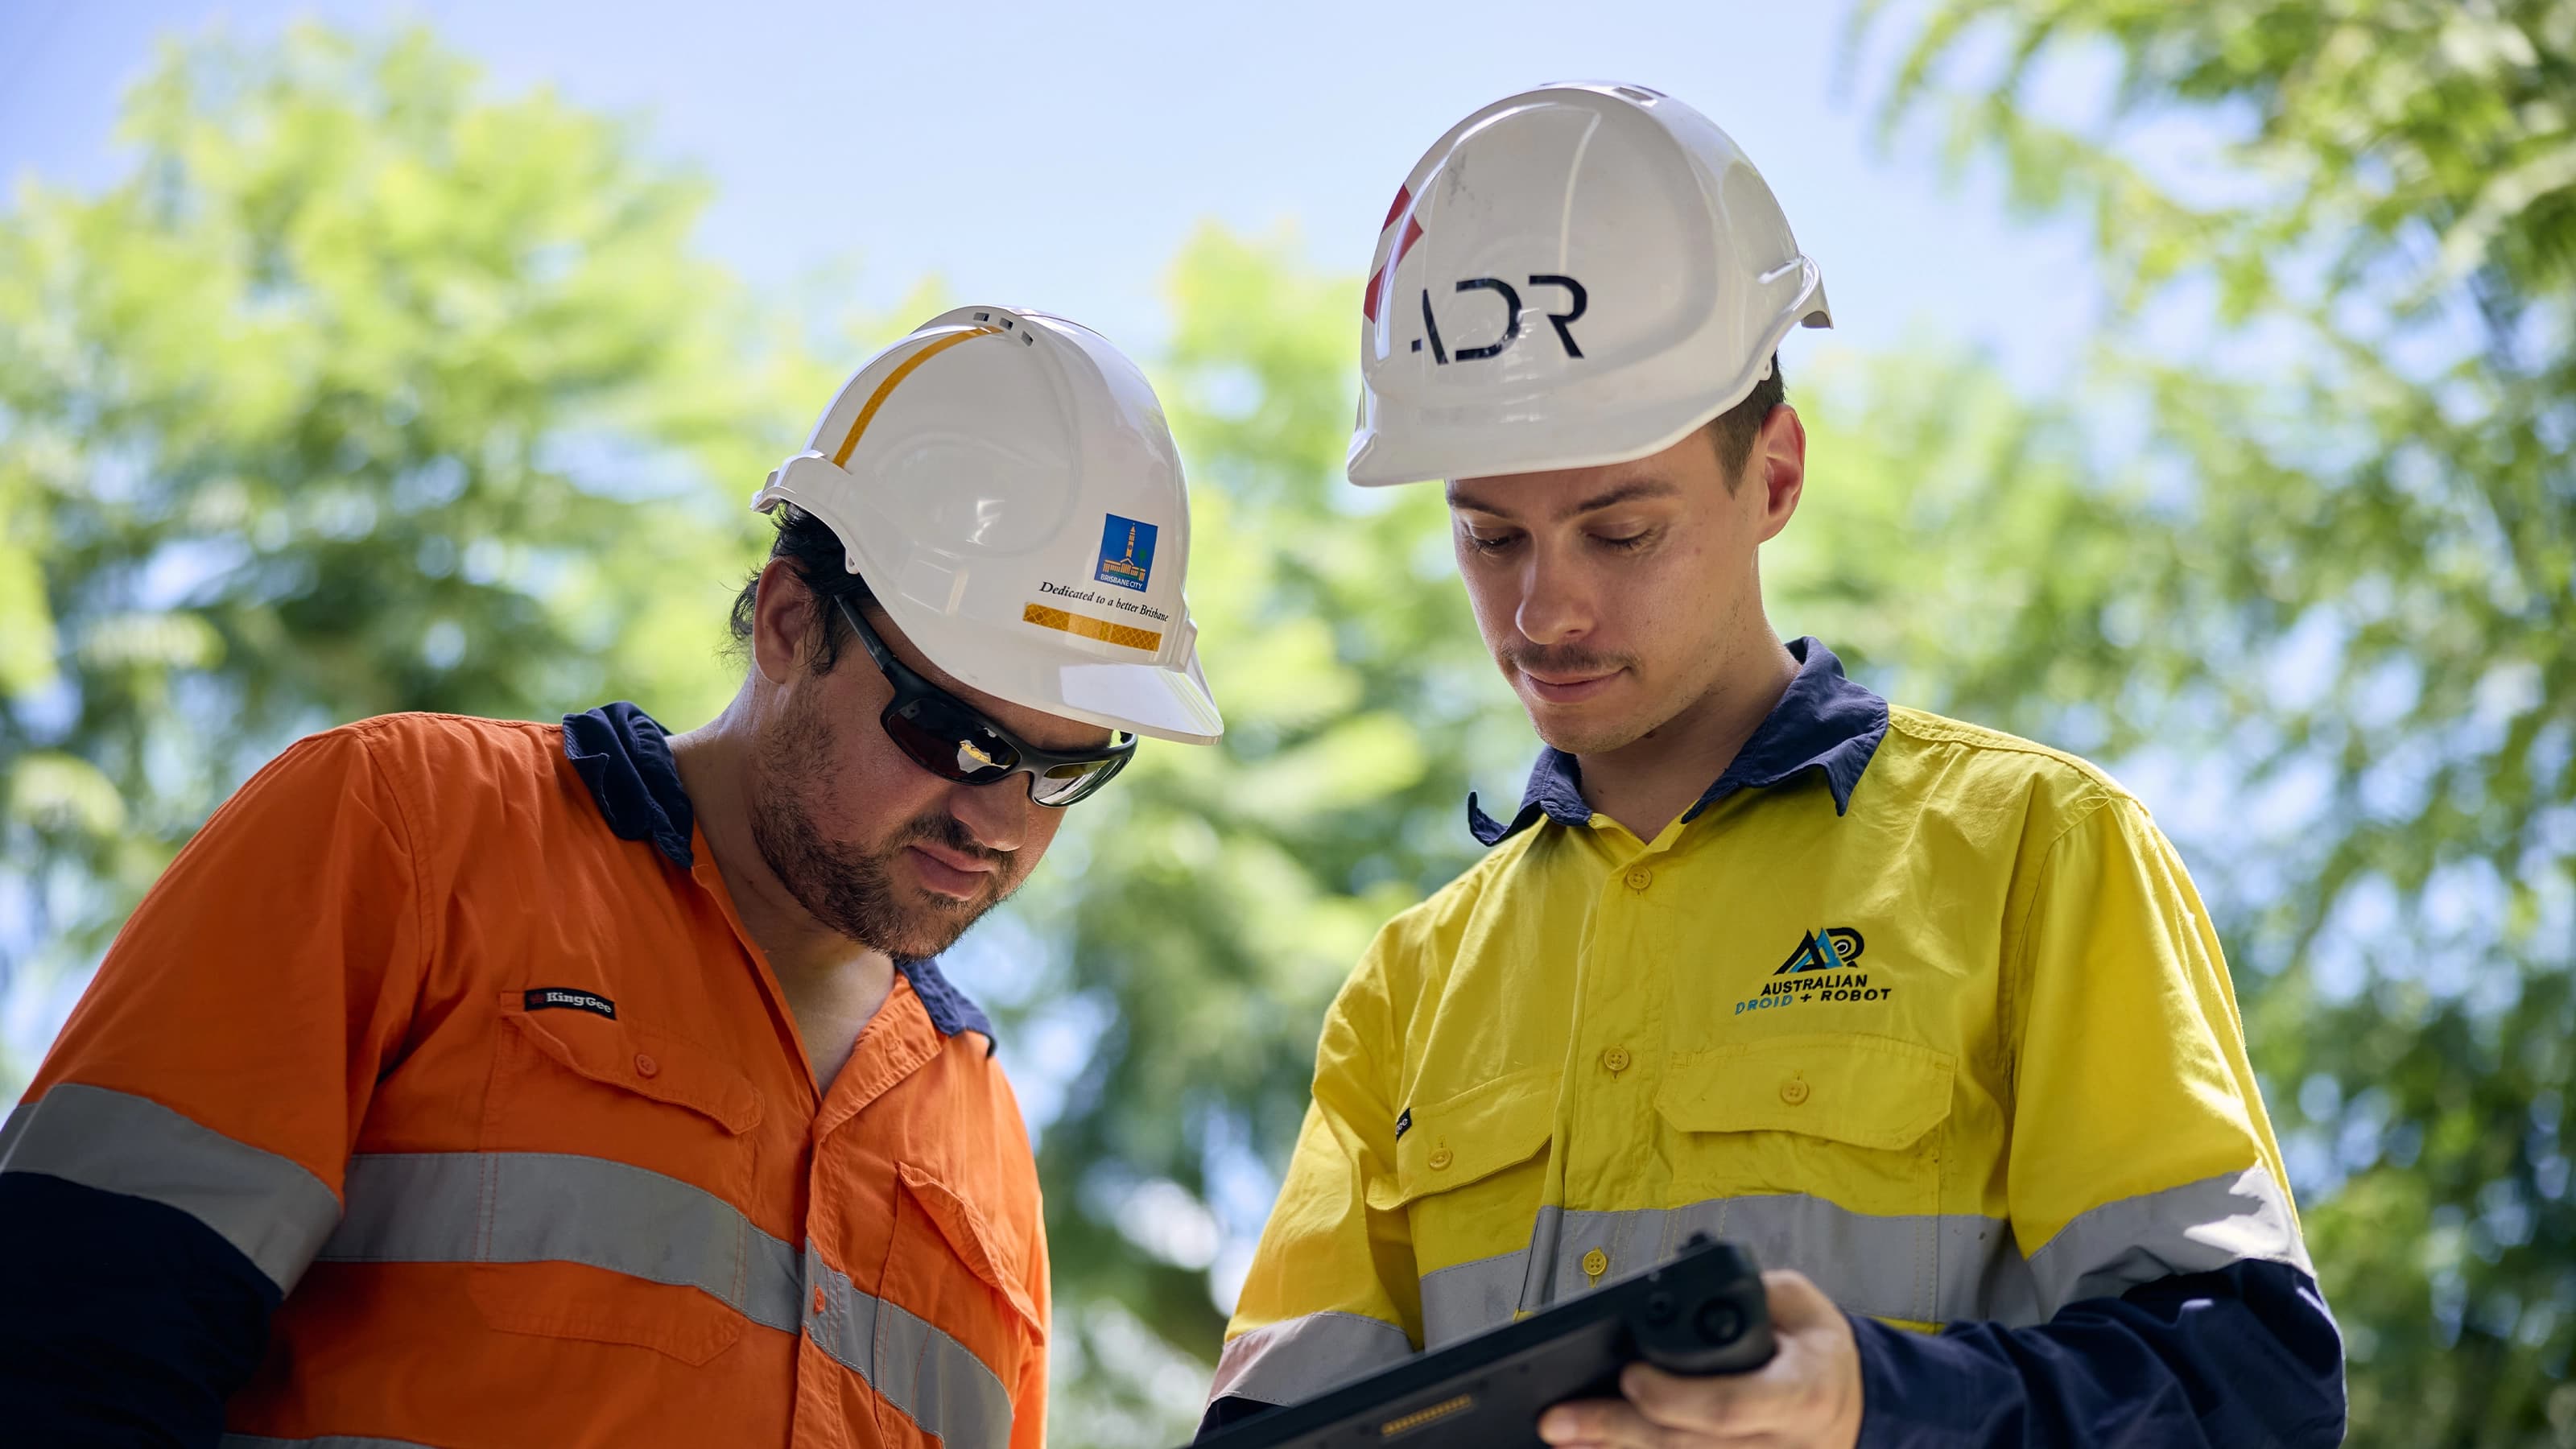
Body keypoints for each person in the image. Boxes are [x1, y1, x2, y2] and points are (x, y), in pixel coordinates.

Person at [1203, 85, 2343, 1447]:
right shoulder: (1411, 990)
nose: (1542, 613)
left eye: (1619, 533)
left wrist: (1877, 1402)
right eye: (1489, 538)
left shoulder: (2037, 853)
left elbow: (2258, 1394)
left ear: (1776, 478)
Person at [0, 304, 1224, 1449]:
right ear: (793, 622)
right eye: (957, 738)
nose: (1000, 819)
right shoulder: (402, 834)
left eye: (1065, 773)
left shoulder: (981, 1139)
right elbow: (66, 1355)